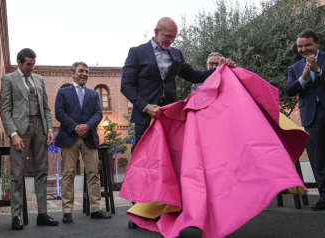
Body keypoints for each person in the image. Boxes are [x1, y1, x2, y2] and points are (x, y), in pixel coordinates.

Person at [121, 17, 235, 229]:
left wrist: (221, 69)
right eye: (167, 36)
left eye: (174, 37)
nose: (170, 41)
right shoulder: (136, 52)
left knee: (169, 164)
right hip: (146, 118)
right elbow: (126, 86)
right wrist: (146, 107)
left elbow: (195, 75)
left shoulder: (176, 54)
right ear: (156, 31)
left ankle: (164, 210)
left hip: (169, 118)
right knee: (144, 166)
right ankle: (138, 213)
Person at [0, 48, 58, 230]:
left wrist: (49, 128)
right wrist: (13, 134)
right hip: (20, 130)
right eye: (28, 64)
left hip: (40, 127)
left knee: (42, 170)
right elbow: (5, 109)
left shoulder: (39, 80)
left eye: (33, 64)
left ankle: (42, 214)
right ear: (19, 62)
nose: (31, 68)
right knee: (17, 173)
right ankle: (16, 217)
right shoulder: (8, 79)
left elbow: (46, 107)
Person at [286, 29, 325, 211]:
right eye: (300, 46)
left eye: (308, 45)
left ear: (317, 43)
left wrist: (318, 70)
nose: (304, 49)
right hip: (311, 116)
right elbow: (289, 90)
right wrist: (303, 78)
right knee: (319, 158)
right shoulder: (294, 68)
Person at [55, 62, 111, 223]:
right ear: (73, 73)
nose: (84, 74)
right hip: (69, 138)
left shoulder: (94, 94)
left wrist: (87, 126)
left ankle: (96, 209)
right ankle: (67, 211)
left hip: (89, 138)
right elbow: (59, 113)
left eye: (87, 71)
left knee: (93, 174)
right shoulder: (63, 92)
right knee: (68, 174)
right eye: (81, 71)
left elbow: (99, 113)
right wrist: (75, 127)